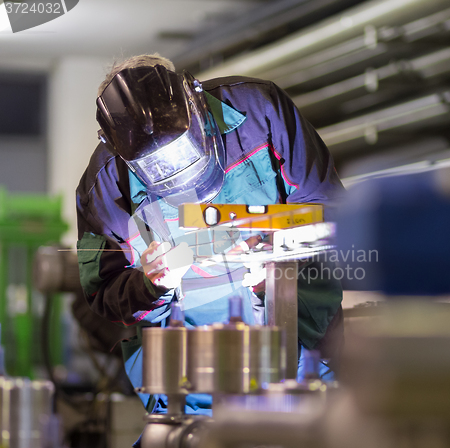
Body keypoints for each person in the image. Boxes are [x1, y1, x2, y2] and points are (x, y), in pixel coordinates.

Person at [76, 54, 344, 415]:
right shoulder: (105, 186)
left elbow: (330, 212)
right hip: (192, 392)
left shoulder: (259, 110)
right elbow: (104, 294)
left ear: (192, 102)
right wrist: (152, 284)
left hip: (304, 358)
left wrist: (278, 251)